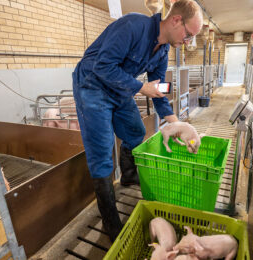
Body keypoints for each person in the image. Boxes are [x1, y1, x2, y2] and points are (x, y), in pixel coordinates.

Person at [72, 0, 203, 242]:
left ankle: (130, 175)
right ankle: (111, 223)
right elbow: (103, 66)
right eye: (188, 34)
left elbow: (159, 91)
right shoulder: (133, 25)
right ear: (176, 20)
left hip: (119, 88)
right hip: (92, 84)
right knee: (102, 153)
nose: (188, 42)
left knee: (135, 131)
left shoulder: (163, 51)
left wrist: (180, 125)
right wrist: (142, 87)